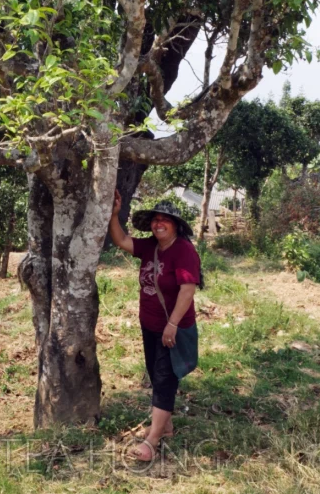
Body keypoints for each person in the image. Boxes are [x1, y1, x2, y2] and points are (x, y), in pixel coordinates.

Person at [108, 189, 202, 462]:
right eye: (155, 219)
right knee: (155, 372)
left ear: (176, 226)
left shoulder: (183, 251)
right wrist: (115, 215)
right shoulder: (151, 246)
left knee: (164, 378)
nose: (159, 224)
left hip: (171, 326)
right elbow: (122, 240)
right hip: (149, 324)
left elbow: (187, 289)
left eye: (166, 220)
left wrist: (172, 324)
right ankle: (167, 426)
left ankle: (153, 440)